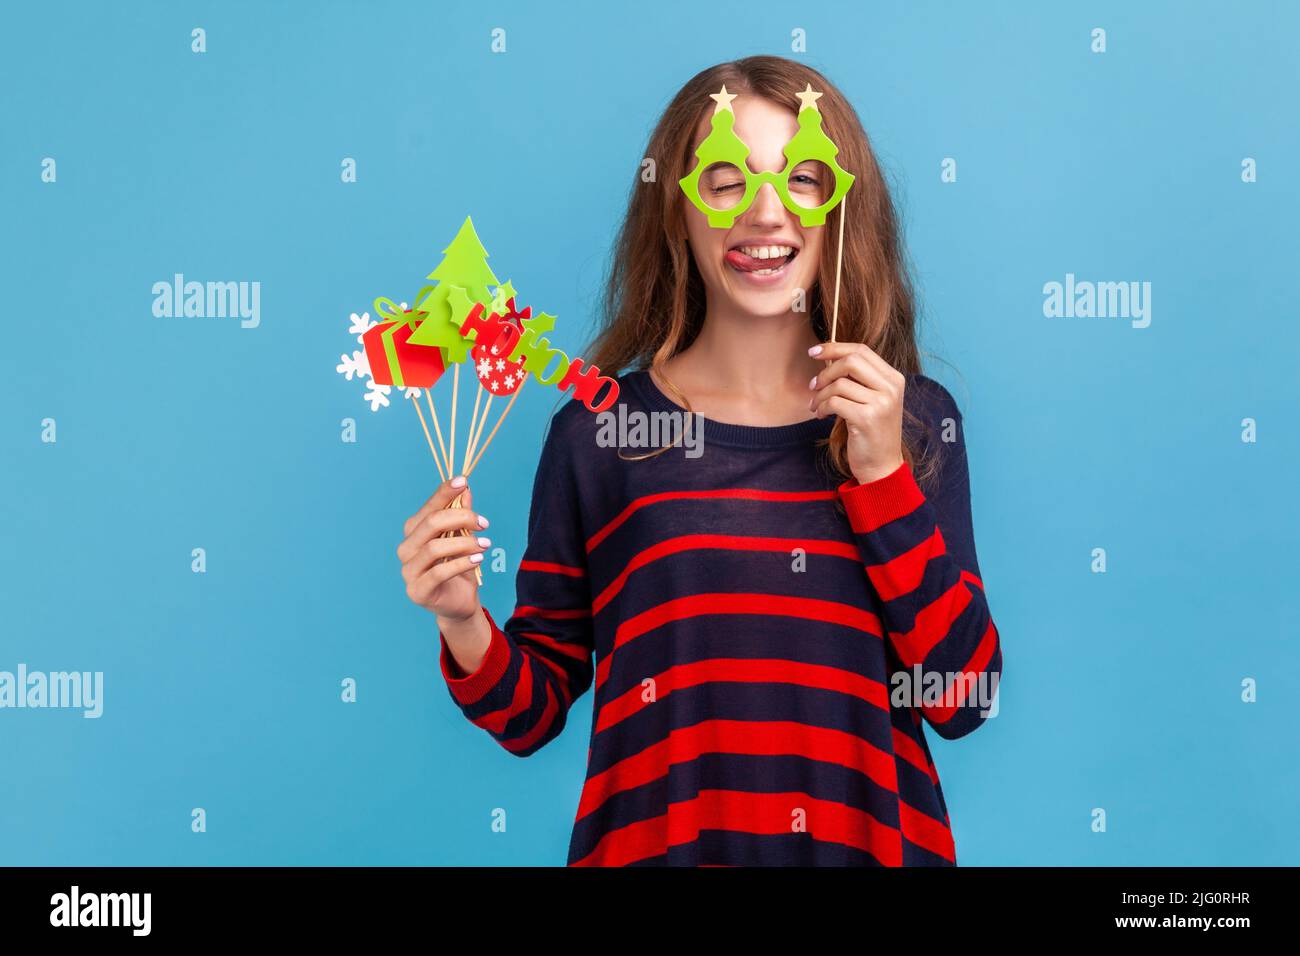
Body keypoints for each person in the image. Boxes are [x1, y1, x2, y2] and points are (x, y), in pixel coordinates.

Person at [397, 55, 1003, 866]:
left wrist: (884, 475)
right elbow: (530, 714)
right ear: (676, 212)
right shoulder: (599, 434)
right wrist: (461, 618)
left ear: (840, 206)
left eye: (801, 181)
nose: (765, 212)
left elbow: (964, 698)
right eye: (724, 180)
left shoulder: (916, 422)